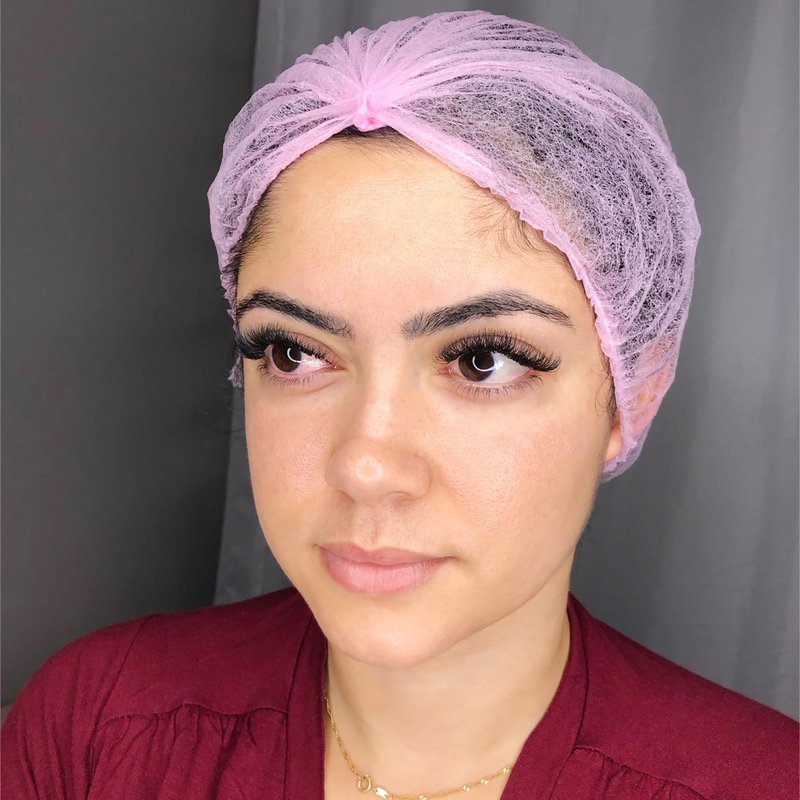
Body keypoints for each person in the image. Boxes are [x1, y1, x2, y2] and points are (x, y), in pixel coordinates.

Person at [2, 10, 797, 800]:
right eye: (294, 352)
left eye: (482, 361)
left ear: (632, 392)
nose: (366, 466)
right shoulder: (96, 727)